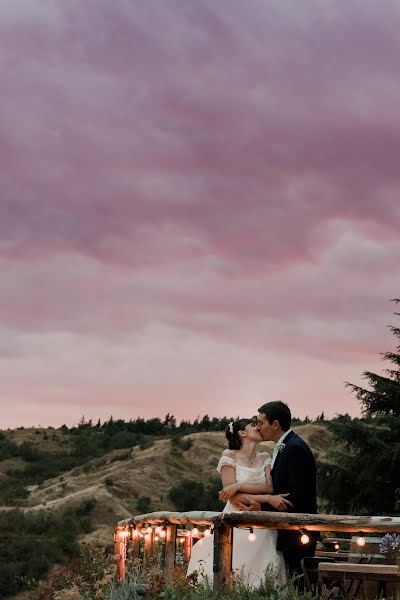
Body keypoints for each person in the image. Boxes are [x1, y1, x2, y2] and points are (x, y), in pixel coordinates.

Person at [186, 418, 287, 588]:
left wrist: (239, 485)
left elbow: (269, 488)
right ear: (242, 433)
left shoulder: (265, 457)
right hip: (235, 519)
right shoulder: (229, 456)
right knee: (234, 565)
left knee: (264, 569)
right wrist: (267, 500)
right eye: (254, 425)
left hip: (262, 523)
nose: (259, 427)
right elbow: (232, 497)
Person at [230, 402, 318, 579]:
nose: (258, 427)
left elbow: (295, 497)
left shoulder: (295, 448)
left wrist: (261, 509)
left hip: (297, 533)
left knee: (297, 585)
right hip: (284, 532)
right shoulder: (285, 446)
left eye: (261, 423)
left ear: (275, 424)